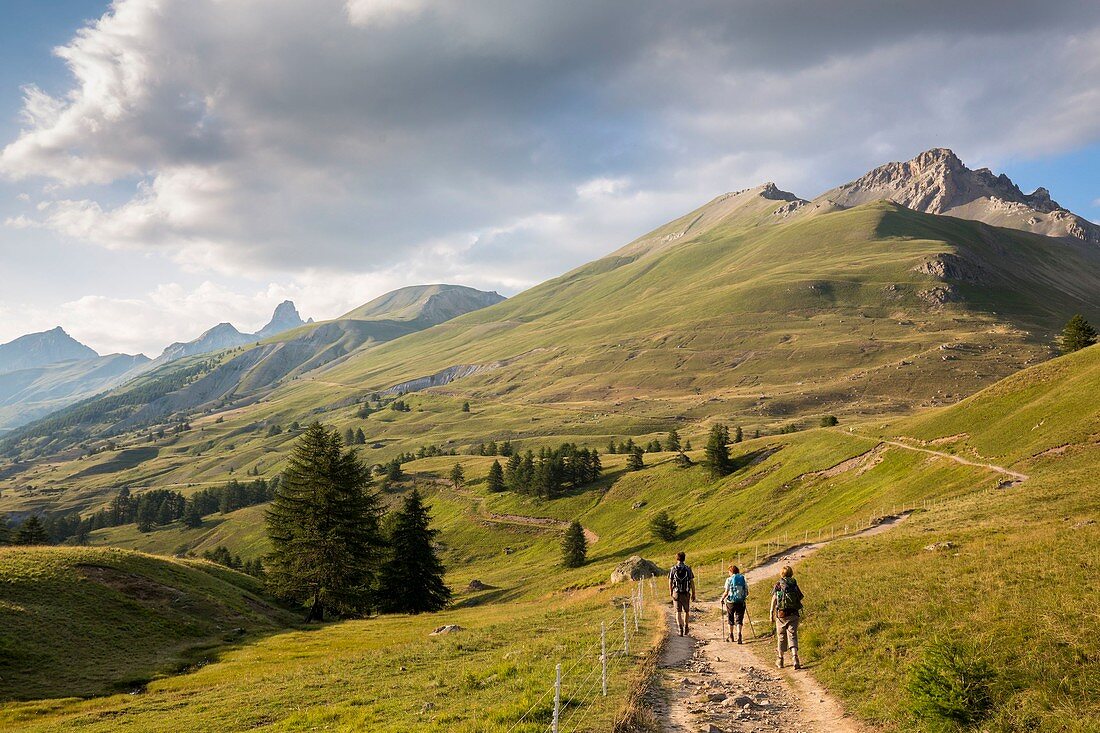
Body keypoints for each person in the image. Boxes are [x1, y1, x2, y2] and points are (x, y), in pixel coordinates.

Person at [769, 565, 804, 669]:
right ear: (791, 573)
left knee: (781, 636)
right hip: (793, 614)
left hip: (781, 615)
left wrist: (771, 613)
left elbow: (774, 599)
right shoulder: (794, 584)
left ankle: (780, 660)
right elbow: (800, 597)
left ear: (782, 573)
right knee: (792, 635)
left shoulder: (778, 584)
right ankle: (795, 657)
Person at [668, 551, 696, 636]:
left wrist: (671, 591)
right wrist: (694, 593)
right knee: (686, 611)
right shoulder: (688, 569)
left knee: (678, 612)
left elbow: (670, 581)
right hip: (685, 592)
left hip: (676, 592)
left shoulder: (673, 569)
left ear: (677, 558)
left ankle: (680, 629)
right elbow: (691, 582)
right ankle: (686, 627)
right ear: (684, 558)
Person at [722, 565, 748, 643]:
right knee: (739, 618)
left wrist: (722, 598)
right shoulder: (742, 579)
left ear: (731, 572)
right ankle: (739, 635)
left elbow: (726, 592)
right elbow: (747, 592)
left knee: (730, 618)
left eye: (729, 572)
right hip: (741, 602)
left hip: (731, 602)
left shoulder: (729, 579)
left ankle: (731, 636)